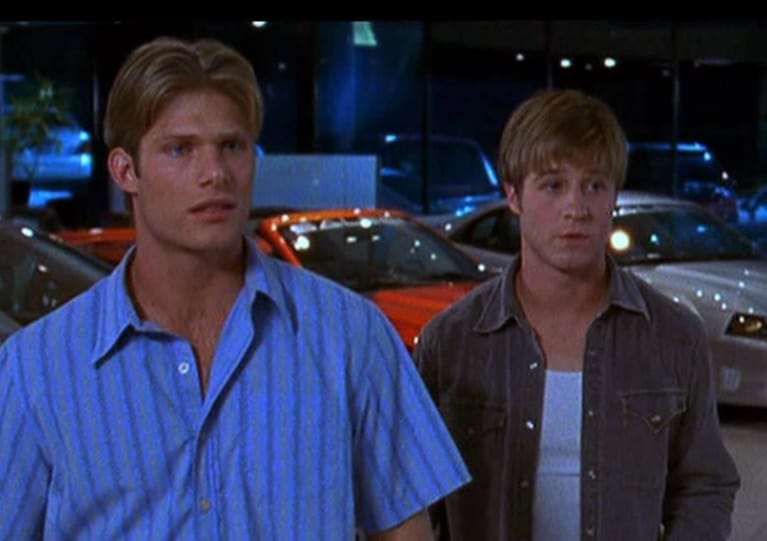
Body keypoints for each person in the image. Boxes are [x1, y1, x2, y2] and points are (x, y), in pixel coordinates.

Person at [0, 36, 470, 540]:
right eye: (180, 149)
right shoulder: (38, 368)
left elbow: (406, 530)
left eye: (233, 146)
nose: (215, 174)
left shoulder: (349, 335)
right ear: (125, 170)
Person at [413, 88, 740, 540]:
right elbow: (410, 498)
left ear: (613, 198)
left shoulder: (672, 336)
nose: (576, 208)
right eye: (552, 185)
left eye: (594, 186)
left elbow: (704, 485)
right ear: (514, 196)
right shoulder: (451, 342)